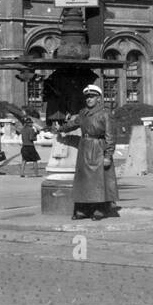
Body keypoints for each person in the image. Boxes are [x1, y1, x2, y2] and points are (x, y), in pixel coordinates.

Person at [55, 84, 118, 221]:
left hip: (98, 148)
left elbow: (110, 136)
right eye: (87, 97)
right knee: (83, 180)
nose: (89, 99)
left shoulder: (106, 113)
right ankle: (82, 209)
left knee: (99, 181)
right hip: (84, 148)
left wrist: (108, 155)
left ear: (99, 98)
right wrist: (60, 129)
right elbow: (74, 124)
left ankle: (100, 209)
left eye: (92, 96)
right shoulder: (83, 113)